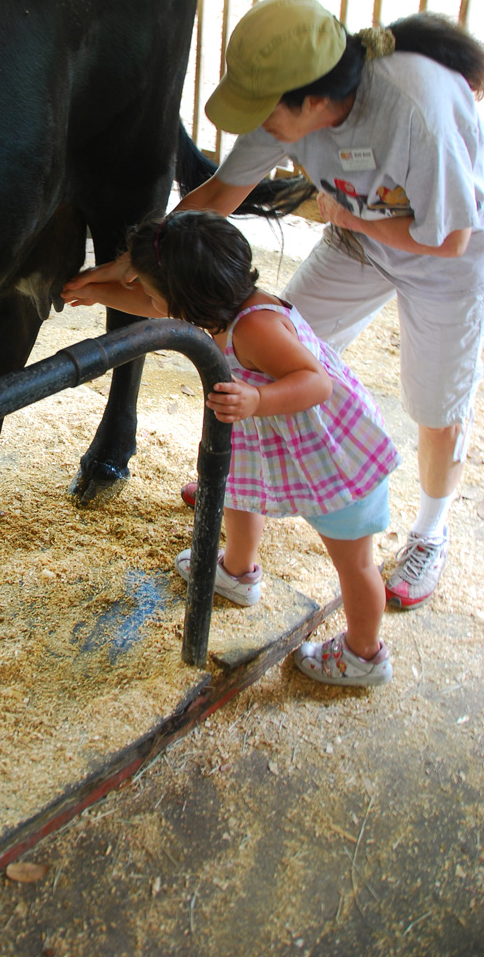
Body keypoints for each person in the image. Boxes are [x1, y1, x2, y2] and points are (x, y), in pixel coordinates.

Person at [64, 0, 484, 612]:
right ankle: (249, 488)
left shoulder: (413, 108)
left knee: (436, 403)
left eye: (266, 111)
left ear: (313, 100)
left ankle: (429, 531)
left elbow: (449, 237)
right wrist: (134, 259)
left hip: (450, 261)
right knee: (270, 343)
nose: (259, 125)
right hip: (359, 240)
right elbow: (217, 195)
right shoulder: (288, 109)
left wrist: (357, 220)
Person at [66, 209, 400, 687]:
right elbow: (158, 306)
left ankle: (364, 654)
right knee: (238, 493)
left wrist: (259, 398)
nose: (145, 296)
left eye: (149, 288)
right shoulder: (218, 303)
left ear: (186, 297)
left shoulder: (254, 327)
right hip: (270, 437)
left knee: (356, 563)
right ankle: (238, 572)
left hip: (333, 455)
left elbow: (316, 383)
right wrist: (93, 290)